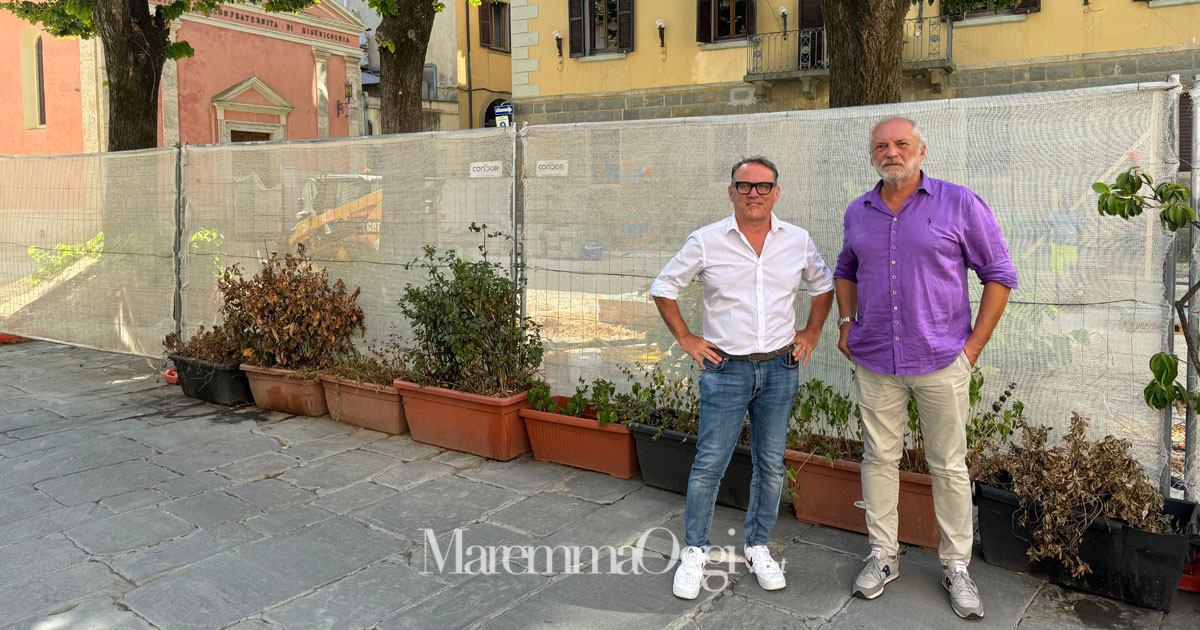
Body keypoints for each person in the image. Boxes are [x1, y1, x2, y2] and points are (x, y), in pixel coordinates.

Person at [833, 117, 1017, 620]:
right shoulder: (859, 211)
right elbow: (845, 269)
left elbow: (999, 274)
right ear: (872, 155)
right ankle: (882, 555)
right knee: (878, 458)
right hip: (875, 359)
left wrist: (973, 348)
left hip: (941, 360)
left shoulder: (959, 203)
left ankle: (957, 565)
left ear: (921, 150)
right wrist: (847, 322)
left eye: (901, 144)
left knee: (948, 466)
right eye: (881, 146)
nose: (891, 152)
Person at [650, 156, 834, 600]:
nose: (754, 193)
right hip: (725, 369)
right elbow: (664, 287)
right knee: (709, 464)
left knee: (770, 465)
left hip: (779, 368)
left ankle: (757, 546)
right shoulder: (707, 241)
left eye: (763, 186)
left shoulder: (797, 241)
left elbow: (823, 286)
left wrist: (811, 334)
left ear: (777, 192)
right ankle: (694, 551)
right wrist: (688, 339)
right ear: (730, 192)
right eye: (745, 185)